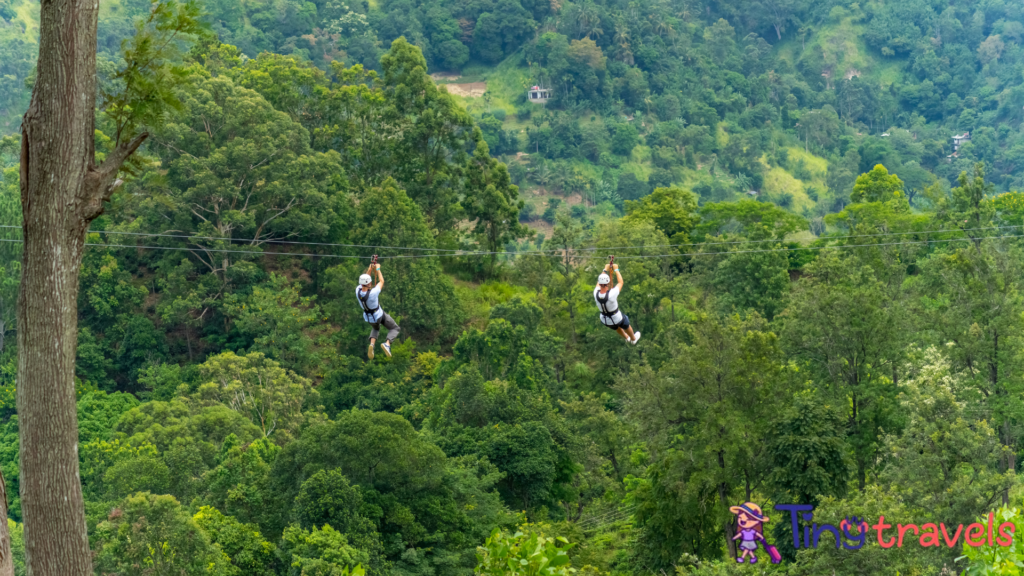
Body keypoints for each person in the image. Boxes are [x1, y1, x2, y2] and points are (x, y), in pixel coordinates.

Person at [356, 262, 400, 359]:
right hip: (378, 315)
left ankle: (372, 344)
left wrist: (370, 269)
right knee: (395, 328)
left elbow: (365, 280)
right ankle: (387, 344)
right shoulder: (373, 293)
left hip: (369, 318)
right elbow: (381, 281)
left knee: (376, 328)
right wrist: (378, 269)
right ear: (369, 283)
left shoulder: (357, 291)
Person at [594, 262, 640, 344]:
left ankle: (626, 337)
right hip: (616, 317)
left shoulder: (595, 293)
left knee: (616, 327)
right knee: (625, 323)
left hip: (605, 320)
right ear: (607, 283)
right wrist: (616, 269)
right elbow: (621, 282)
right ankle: (633, 339)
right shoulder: (611, 294)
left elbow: (599, 282)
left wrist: (605, 269)